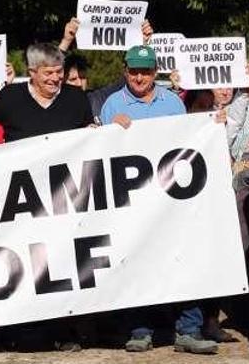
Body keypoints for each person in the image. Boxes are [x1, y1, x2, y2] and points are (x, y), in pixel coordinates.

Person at [100, 45, 217, 354]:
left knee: (183, 260)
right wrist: (110, 131)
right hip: (133, 202)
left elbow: (186, 143)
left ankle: (188, 329)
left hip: (171, 199)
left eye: (146, 71)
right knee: (137, 263)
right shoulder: (112, 104)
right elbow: (101, 154)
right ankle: (139, 330)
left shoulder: (173, 102)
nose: (140, 77)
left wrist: (212, 125)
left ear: (156, 72)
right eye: (134, 71)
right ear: (125, 71)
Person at [0, 43, 94, 142]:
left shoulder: (77, 97)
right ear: (32, 72)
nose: (55, 78)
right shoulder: (9, 96)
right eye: (48, 73)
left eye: (59, 71)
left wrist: (93, 132)